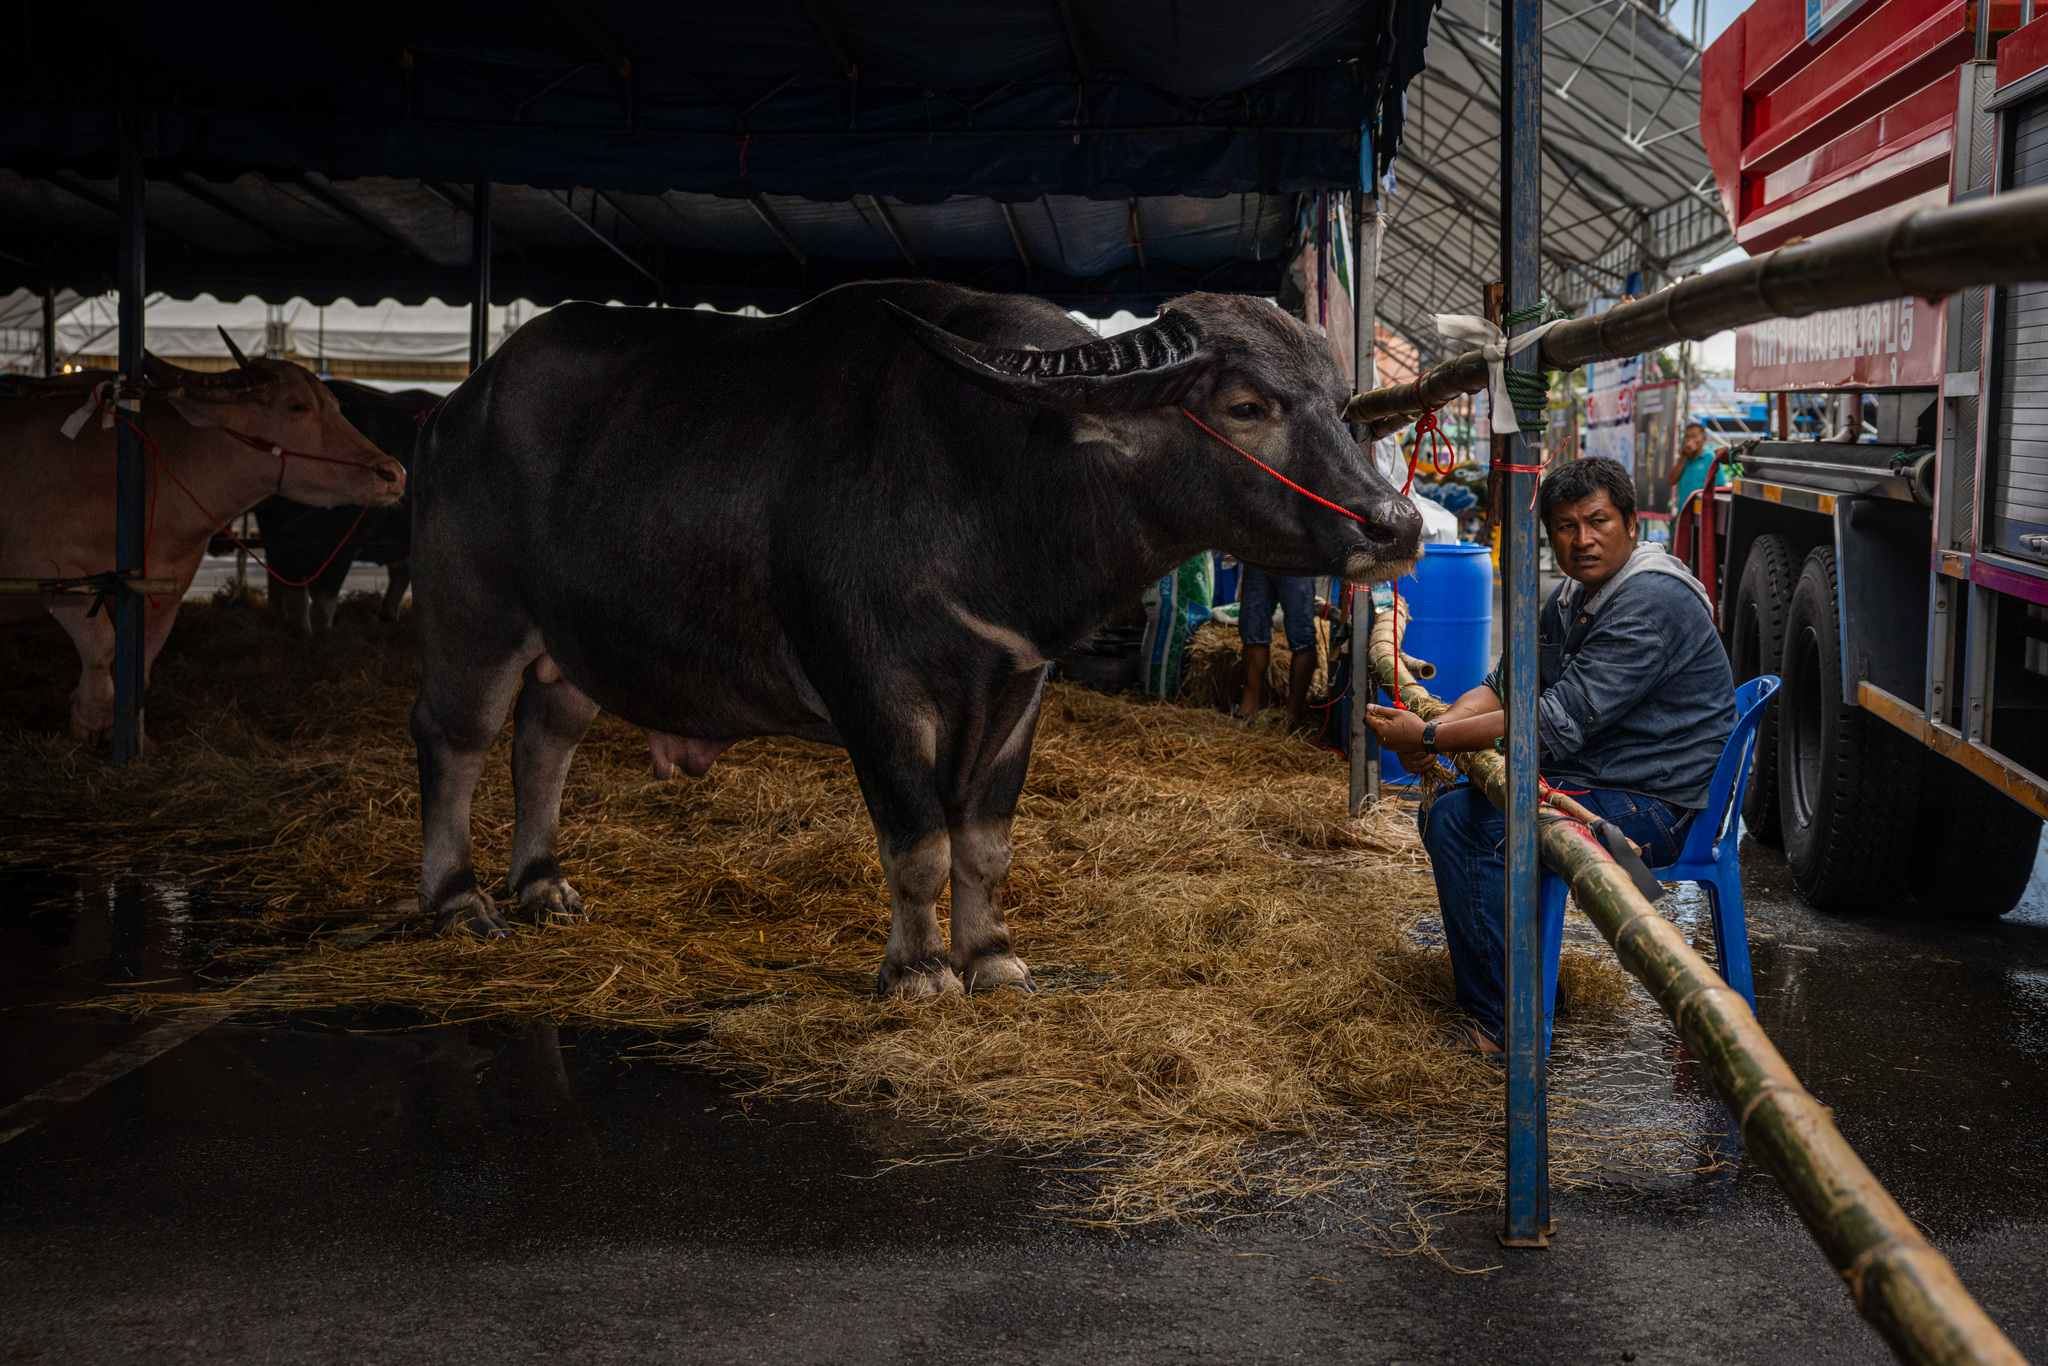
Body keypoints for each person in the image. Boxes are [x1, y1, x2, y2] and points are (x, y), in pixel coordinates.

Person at [1362, 457, 1735, 1056]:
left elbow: (1554, 724)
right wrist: (1435, 732)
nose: (1583, 540)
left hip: (1656, 805)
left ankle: (1502, 1024)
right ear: (1550, 537)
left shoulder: (1651, 600)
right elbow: (1507, 683)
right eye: (1565, 526)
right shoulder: (1575, 597)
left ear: (1632, 524)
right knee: (1454, 806)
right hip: (1601, 777)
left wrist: (1429, 740)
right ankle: (1528, 989)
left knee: (1466, 823)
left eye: (1598, 521)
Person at [1235, 567, 1317, 725]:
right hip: (1258, 556)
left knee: (1302, 635)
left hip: (1298, 557)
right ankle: (1248, 707)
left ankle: (1293, 713)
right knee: (1252, 628)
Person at [1666, 422, 1725, 517]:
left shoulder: (1711, 460)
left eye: (1694, 437)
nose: (1690, 441)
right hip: (1683, 514)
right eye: (1687, 437)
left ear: (1704, 439)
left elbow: (1720, 487)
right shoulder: (1684, 460)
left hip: (1701, 515)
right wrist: (1683, 457)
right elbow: (1671, 481)